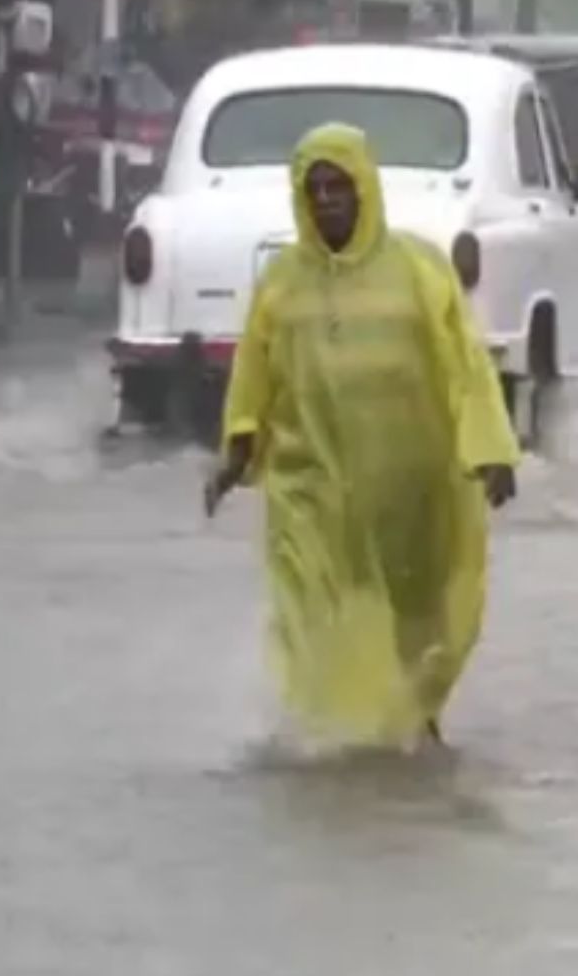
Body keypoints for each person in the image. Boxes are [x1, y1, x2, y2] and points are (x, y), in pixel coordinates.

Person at [203, 123, 520, 755]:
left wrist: (490, 450)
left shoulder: (419, 270)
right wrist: (235, 454)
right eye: (314, 189)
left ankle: (412, 719)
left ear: (364, 188)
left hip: (410, 484)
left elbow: (466, 366)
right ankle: (322, 735)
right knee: (313, 603)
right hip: (313, 486)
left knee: (414, 614)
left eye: (338, 186)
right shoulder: (283, 283)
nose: (326, 201)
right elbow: (255, 374)